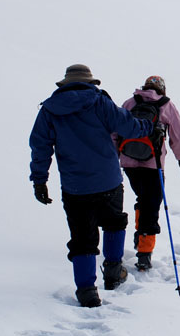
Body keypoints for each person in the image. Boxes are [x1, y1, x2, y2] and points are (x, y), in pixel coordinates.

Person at [29, 64, 155, 308]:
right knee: (114, 222)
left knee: (82, 237)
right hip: (108, 179)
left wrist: (39, 180)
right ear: (90, 83)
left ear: (65, 84)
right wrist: (149, 126)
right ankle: (113, 271)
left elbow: (40, 147)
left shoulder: (50, 109)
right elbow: (128, 126)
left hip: (75, 186)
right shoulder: (100, 102)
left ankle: (87, 291)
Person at [117, 76, 180, 272]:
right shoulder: (167, 105)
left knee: (143, 198)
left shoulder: (130, 102)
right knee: (152, 204)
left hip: (128, 160)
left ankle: (141, 235)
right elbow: (178, 136)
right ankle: (144, 253)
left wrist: (115, 154)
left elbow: (115, 129)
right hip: (153, 164)